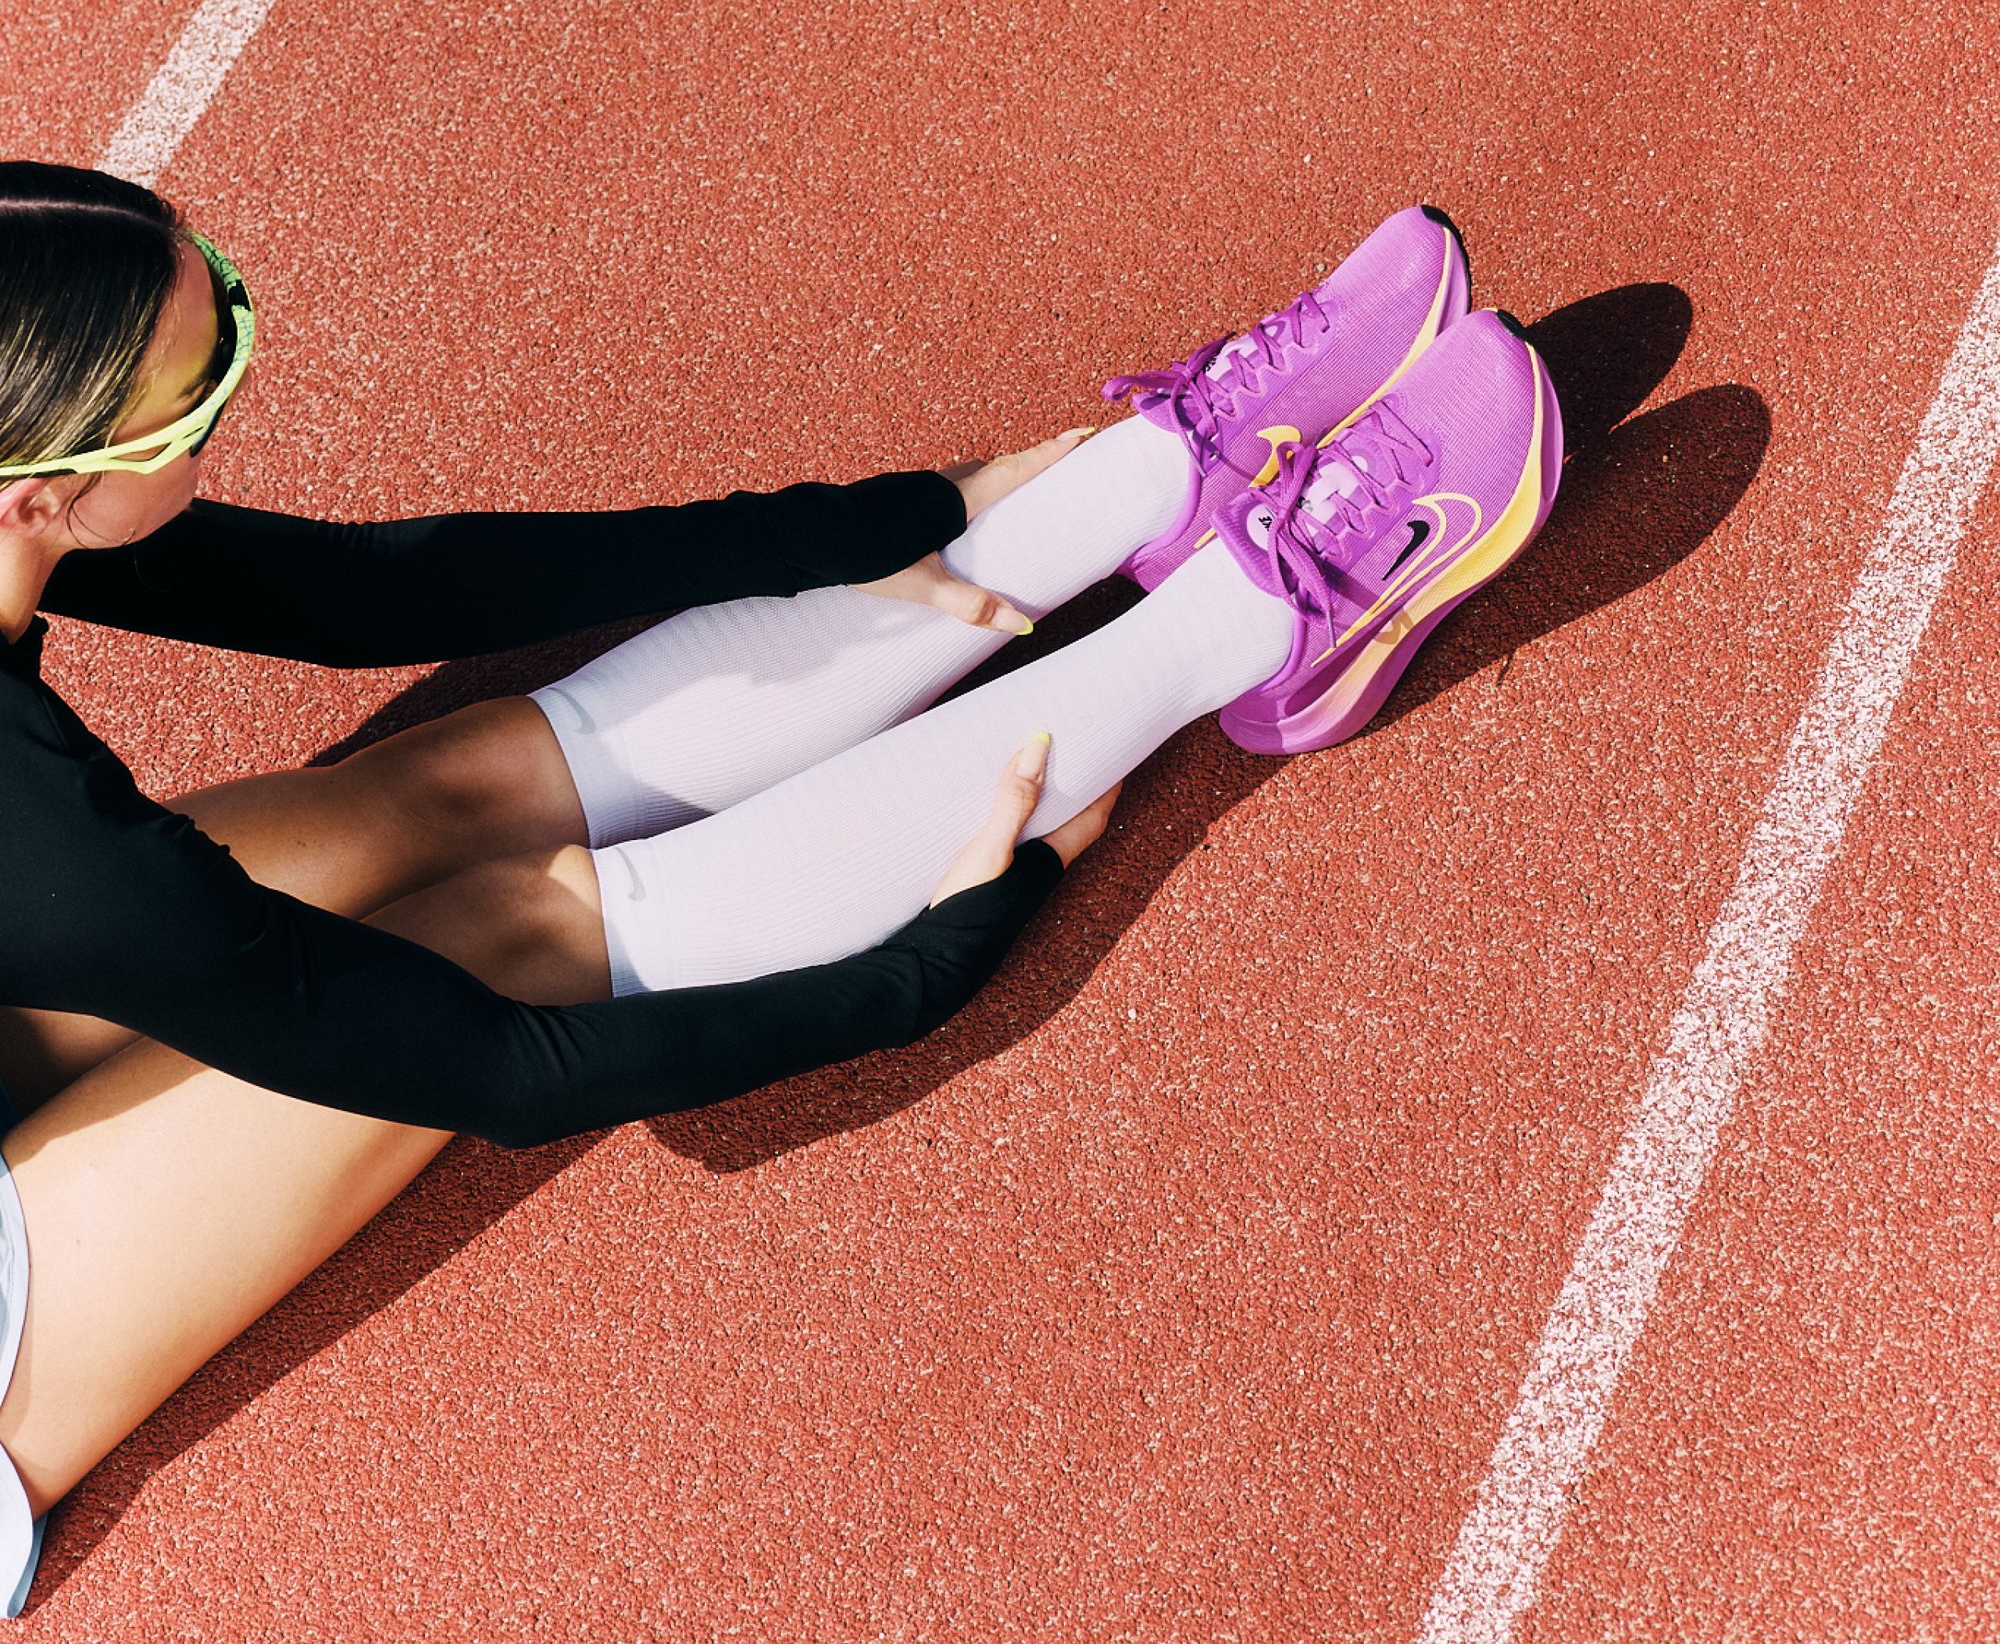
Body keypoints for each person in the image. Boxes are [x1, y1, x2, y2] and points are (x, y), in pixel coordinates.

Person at [0, 174, 1556, 1601]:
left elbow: (373, 593)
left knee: (429, 796)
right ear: (46, 494)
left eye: (222, 297)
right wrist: (923, 969)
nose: (237, 397)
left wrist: (915, 514)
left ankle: (1147, 483)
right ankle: (1241, 627)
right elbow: (492, 1068)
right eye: (202, 389)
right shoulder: (64, 856)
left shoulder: (25, 505)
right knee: (495, 934)